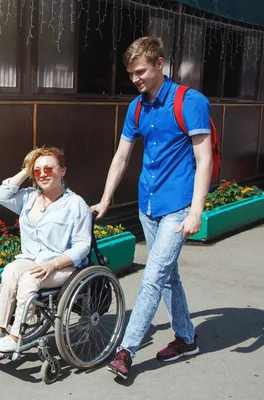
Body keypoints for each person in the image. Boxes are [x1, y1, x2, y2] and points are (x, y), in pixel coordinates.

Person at [91, 37, 213, 380]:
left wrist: (196, 211)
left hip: (178, 206)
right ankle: (186, 338)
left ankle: (125, 351)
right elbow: (122, 156)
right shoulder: (137, 106)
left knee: (154, 275)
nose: (136, 79)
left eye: (140, 71)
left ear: (160, 63)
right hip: (148, 204)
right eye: (131, 74)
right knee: (168, 276)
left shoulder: (190, 102)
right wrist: (105, 198)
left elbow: (203, 160)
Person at [0, 147, 93, 353]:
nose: (42, 175)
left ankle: (16, 334)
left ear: (63, 171)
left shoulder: (76, 204)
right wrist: (26, 170)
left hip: (62, 264)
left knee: (29, 280)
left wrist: (54, 264)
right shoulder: (29, 197)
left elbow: (83, 245)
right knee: (10, 271)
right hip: (31, 259)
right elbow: (0, 194)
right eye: (37, 171)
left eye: (49, 169)